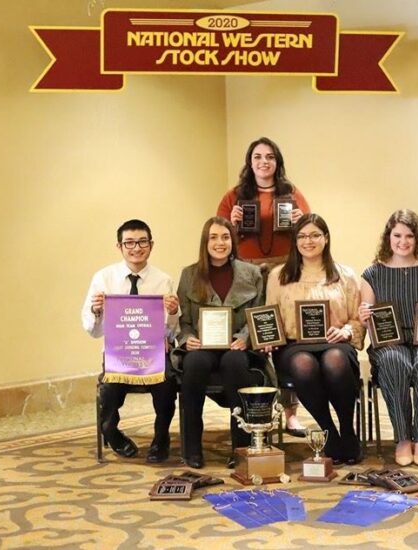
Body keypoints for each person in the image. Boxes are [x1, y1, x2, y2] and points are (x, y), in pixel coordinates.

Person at [217, 136, 310, 436]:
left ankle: (291, 412)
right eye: (257, 157)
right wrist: (231, 223)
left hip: (285, 269)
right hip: (246, 271)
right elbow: (218, 236)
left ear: (277, 162)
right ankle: (256, 410)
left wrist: (299, 219)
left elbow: (310, 231)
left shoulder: (292, 193)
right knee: (253, 335)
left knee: (285, 337)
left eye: (269, 157)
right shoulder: (234, 195)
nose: (263, 162)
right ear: (250, 162)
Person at [358, 209, 418, 466]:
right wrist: (363, 314)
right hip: (389, 342)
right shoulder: (372, 274)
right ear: (388, 237)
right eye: (397, 235)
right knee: (393, 362)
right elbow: (367, 319)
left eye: (410, 236)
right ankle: (402, 438)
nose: (403, 241)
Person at [266, 213, 364, 464]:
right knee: (304, 364)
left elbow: (357, 319)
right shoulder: (279, 275)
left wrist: (345, 332)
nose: (308, 241)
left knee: (334, 360)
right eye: (302, 236)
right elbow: (270, 316)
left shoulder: (346, 275)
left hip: (336, 343)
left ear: (326, 238)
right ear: (295, 241)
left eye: (314, 235)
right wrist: (267, 338)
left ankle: (347, 428)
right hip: (293, 347)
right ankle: (328, 431)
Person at [81, 219, 179, 463]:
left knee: (167, 385)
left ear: (151, 245)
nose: (136, 248)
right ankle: (111, 432)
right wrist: (96, 310)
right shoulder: (103, 278)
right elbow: (92, 330)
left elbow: (171, 332)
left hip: (154, 356)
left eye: (142, 241)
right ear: (119, 246)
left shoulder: (163, 280)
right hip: (118, 355)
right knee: (109, 389)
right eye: (129, 243)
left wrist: (174, 312)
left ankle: (160, 438)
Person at [175, 216, 265, 469]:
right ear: (205, 242)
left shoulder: (252, 273)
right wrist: (187, 338)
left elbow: (258, 314)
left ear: (233, 241)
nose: (220, 243)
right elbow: (183, 320)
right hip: (201, 346)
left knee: (235, 362)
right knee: (194, 364)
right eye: (213, 237)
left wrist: (245, 338)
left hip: (236, 347)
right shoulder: (189, 274)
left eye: (225, 237)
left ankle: (241, 447)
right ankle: (192, 448)